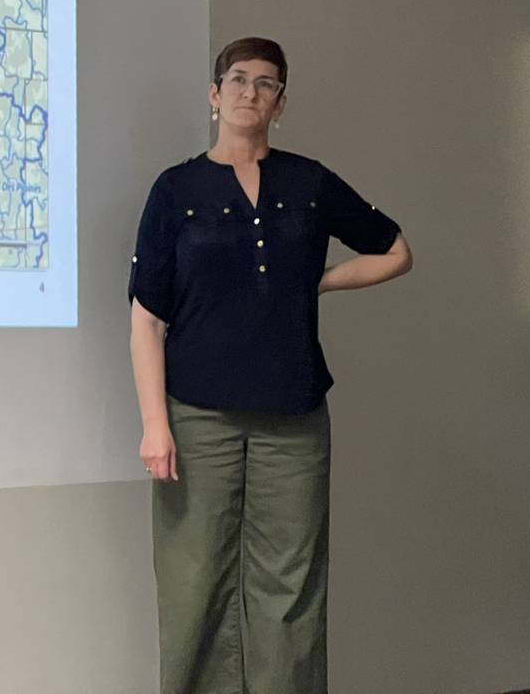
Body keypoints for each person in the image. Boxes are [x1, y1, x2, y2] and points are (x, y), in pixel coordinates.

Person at [127, 37, 412, 694]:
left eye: (266, 83)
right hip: (196, 417)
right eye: (237, 79)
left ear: (281, 103)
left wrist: (318, 281)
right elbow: (146, 316)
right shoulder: (176, 190)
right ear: (213, 94)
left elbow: (395, 251)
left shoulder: (309, 183)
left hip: (295, 416)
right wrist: (154, 424)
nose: (250, 92)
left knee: (291, 590)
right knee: (194, 581)